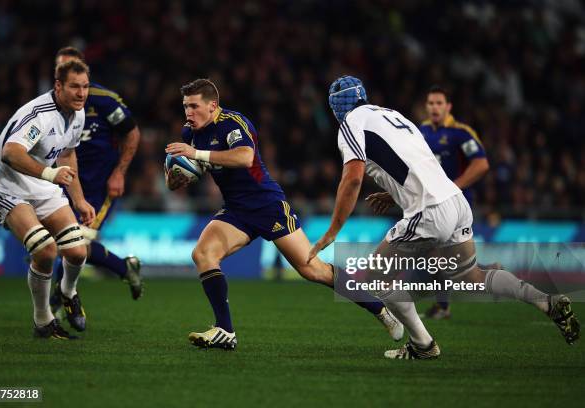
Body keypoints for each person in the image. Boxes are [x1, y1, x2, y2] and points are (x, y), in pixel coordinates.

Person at [309, 75, 579, 359]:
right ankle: (545, 301)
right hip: (455, 201)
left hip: (429, 211)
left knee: (376, 278)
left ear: (336, 107)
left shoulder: (350, 123)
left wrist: (333, 230)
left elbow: (352, 178)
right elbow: (419, 161)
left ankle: (423, 345)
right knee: (471, 276)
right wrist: (394, 194)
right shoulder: (391, 115)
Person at [165, 78, 403, 350]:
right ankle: (225, 330)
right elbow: (176, 181)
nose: (188, 113)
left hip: (267, 206)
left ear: (213, 105)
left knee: (313, 270)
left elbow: (244, 158)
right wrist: (176, 176)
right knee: (203, 254)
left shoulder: (234, 123)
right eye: (185, 107)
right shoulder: (190, 133)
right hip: (236, 211)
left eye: (194, 106)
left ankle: (379, 309)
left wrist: (197, 154)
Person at [0, 46, 143, 305]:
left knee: (77, 243)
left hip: (95, 183)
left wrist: (119, 173)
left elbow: (131, 134)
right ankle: (67, 299)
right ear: (59, 80)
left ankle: (65, 298)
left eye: (83, 85)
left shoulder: (101, 101)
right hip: (56, 179)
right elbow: (30, 132)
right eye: (61, 71)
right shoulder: (55, 102)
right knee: (56, 245)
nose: (79, 92)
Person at [0, 59, 94, 339]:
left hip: (42, 186)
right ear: (58, 87)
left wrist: (78, 199)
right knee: (45, 250)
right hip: (6, 186)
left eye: (85, 87)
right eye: (74, 87)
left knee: (78, 252)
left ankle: (68, 292)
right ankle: (43, 320)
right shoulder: (40, 113)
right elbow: (11, 152)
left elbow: (68, 155)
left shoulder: (78, 114)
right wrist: (48, 173)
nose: (81, 93)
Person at [417, 85, 490, 319]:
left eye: (439, 103)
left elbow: (481, 164)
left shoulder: (461, 133)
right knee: (433, 256)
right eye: (431, 103)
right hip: (431, 204)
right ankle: (443, 305)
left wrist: (452, 186)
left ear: (448, 107)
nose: (434, 107)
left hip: (457, 205)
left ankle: (494, 277)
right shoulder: (422, 131)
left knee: (456, 267)